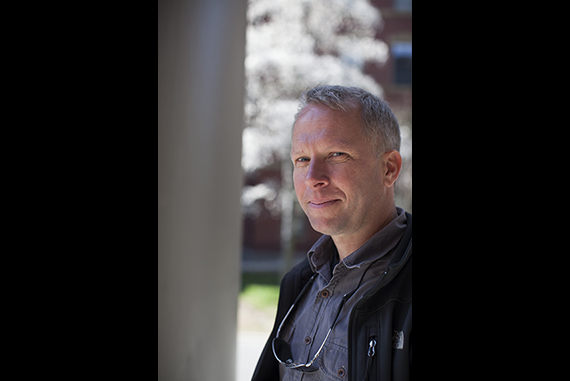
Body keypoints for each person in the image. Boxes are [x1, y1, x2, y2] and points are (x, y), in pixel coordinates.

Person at [252, 85, 412, 381]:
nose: (313, 178)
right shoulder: (298, 283)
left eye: (337, 154)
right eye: (301, 159)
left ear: (389, 168)